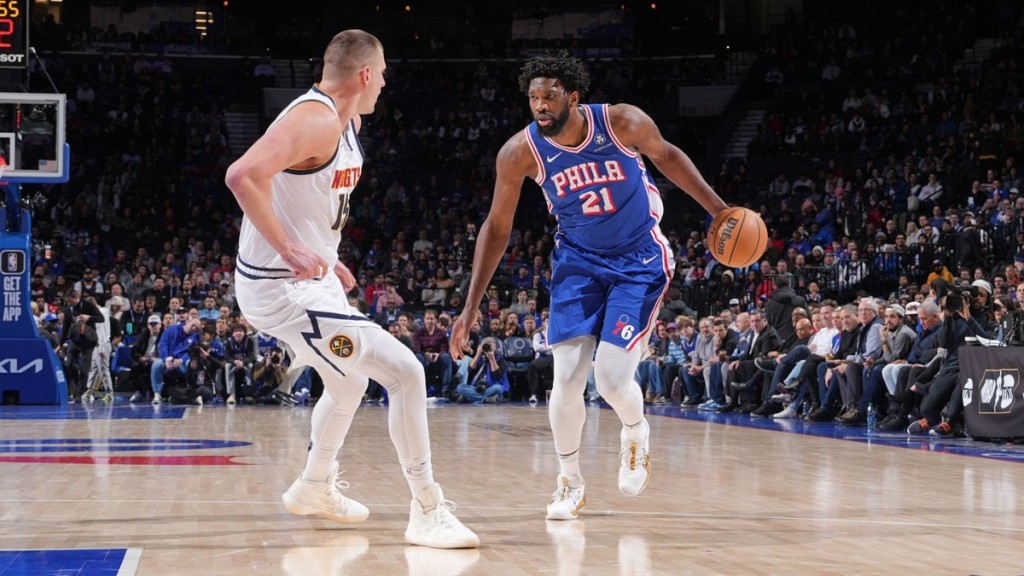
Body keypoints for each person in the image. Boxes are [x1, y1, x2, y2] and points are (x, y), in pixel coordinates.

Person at [224, 29, 477, 548]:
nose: (384, 84)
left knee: (349, 384)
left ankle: (314, 484)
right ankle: (427, 509)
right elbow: (243, 175)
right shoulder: (314, 118)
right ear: (364, 75)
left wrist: (325, 256)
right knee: (406, 373)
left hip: (309, 283)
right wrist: (292, 251)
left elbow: (306, 196)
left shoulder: (346, 118)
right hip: (282, 290)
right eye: (382, 74)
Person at [450, 51, 728, 520]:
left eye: (550, 96)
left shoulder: (621, 122)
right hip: (578, 266)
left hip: (638, 262)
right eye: (533, 97)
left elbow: (668, 157)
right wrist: (470, 305)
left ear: (573, 97)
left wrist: (719, 210)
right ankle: (569, 482)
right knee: (567, 378)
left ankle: (635, 431)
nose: (539, 105)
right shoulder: (520, 152)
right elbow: (497, 227)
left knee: (614, 380)